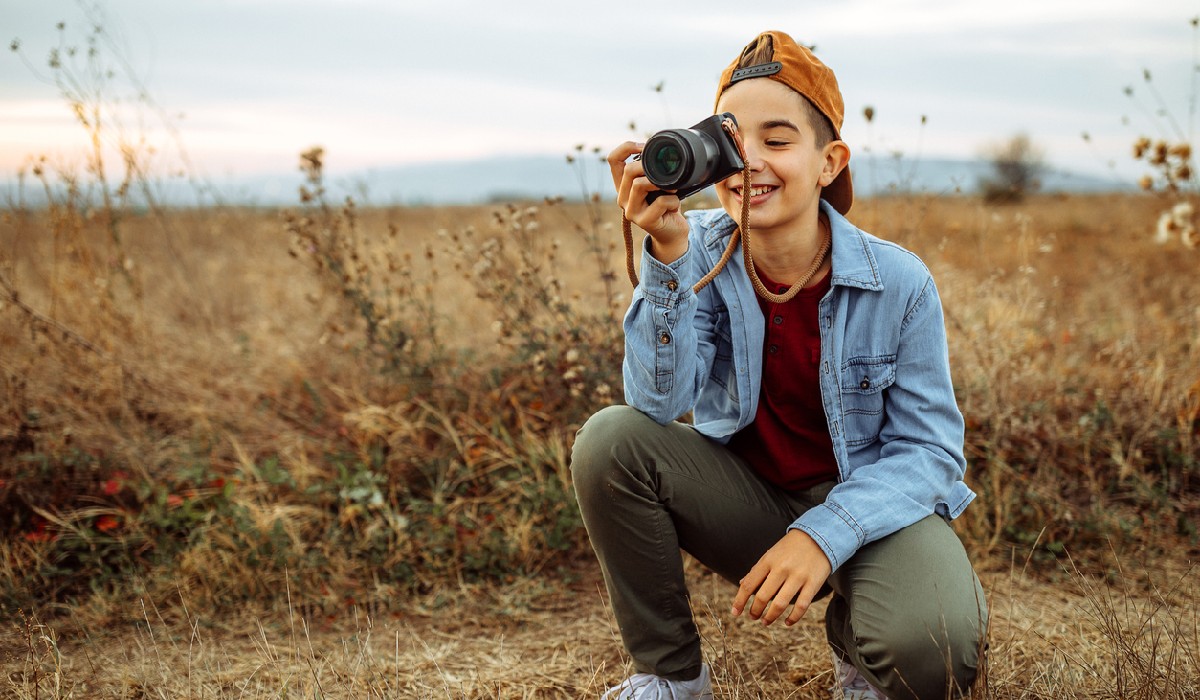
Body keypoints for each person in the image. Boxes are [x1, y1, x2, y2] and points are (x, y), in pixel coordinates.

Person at [570, 30, 988, 700]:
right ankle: (672, 678)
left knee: (931, 654)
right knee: (610, 441)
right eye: (732, 141)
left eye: (778, 139)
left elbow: (930, 454)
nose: (749, 162)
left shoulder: (900, 282)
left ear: (830, 161)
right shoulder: (698, 251)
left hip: (875, 512)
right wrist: (669, 257)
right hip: (751, 505)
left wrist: (823, 537)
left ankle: (862, 648)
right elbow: (655, 405)